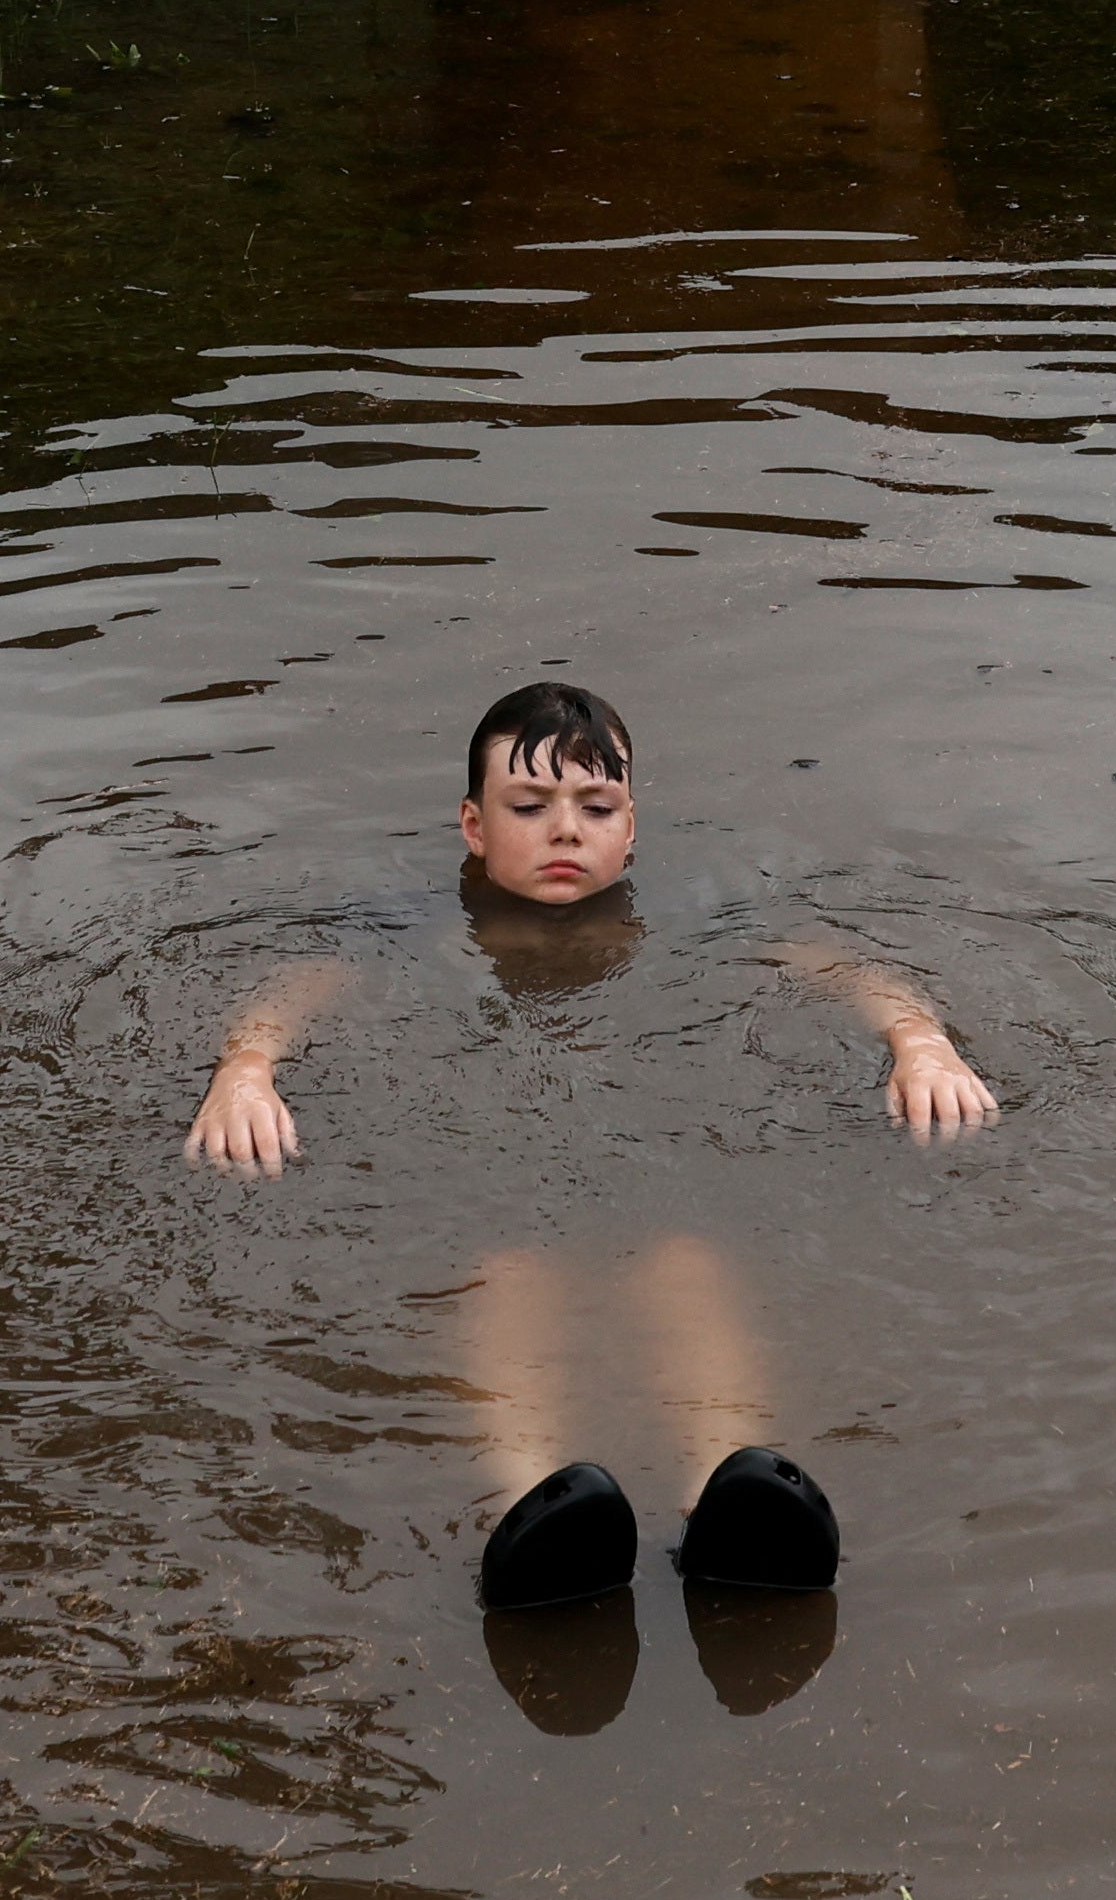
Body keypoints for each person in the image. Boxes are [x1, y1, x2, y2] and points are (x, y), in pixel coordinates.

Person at [184, 679, 998, 1611]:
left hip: (650, 1137)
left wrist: (917, 1039)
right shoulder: (411, 915)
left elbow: (833, 960)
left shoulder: (701, 898)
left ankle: (729, 1498)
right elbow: (304, 979)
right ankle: (530, 1507)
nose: (564, 830)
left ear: (630, 828)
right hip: (486, 1146)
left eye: (595, 806)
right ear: (472, 824)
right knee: (509, 1269)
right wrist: (247, 1064)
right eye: (528, 806)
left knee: (684, 1261)